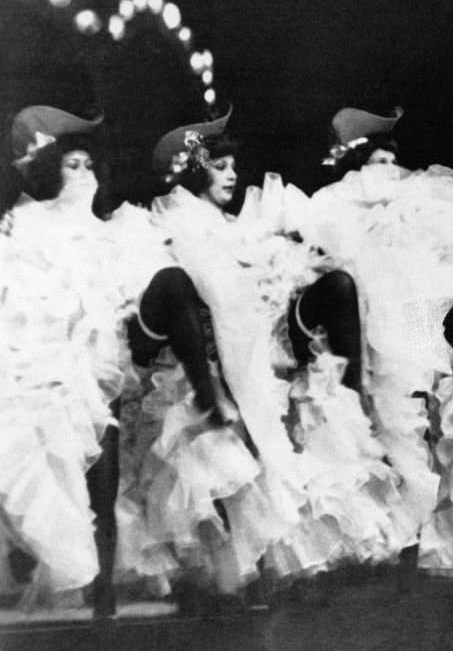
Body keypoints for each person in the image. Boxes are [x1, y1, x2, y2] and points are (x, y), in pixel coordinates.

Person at [117, 109, 404, 609]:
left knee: (333, 299)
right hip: (200, 364)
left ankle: (262, 570)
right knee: (217, 458)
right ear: (195, 170)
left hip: (257, 355)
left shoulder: (247, 222)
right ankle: (226, 579)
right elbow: (194, 295)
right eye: (219, 165)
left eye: (233, 165)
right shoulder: (176, 219)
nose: (232, 175)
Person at [303, 109, 453, 590]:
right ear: (355, 163)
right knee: (409, 449)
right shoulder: (335, 205)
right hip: (386, 341)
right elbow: (329, 261)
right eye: (375, 159)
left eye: (389, 158)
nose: (386, 170)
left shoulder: (424, 196)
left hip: (435, 326)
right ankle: (405, 559)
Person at [0, 106, 143, 617]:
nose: (84, 175)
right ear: (50, 170)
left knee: (102, 477)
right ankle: (36, 561)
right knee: (36, 473)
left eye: (89, 165)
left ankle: (102, 589)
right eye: (72, 165)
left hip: (94, 365)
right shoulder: (24, 225)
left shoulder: (109, 233)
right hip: (36, 366)